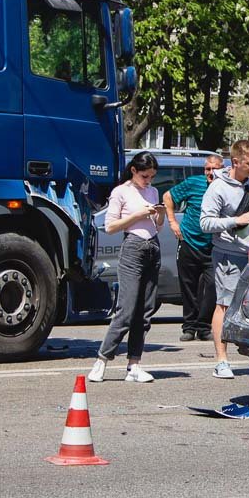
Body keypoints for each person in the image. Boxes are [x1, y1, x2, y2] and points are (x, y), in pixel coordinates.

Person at [87, 152, 164, 384]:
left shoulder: (152, 191)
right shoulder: (121, 191)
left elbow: (158, 228)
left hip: (153, 246)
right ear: (133, 170)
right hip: (132, 247)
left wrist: (159, 215)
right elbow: (110, 226)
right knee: (127, 309)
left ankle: (134, 364)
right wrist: (138, 215)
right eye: (144, 176)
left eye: (151, 176)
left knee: (145, 310)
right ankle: (102, 360)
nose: (148, 181)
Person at [200, 140, 249, 379]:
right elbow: (205, 223)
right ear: (235, 162)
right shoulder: (218, 188)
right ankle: (221, 361)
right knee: (224, 304)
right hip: (227, 253)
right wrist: (235, 221)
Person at [163, 153, 223, 342]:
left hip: (212, 245)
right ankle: (189, 327)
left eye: (215, 169)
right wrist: (172, 222)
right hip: (189, 240)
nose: (211, 173)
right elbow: (168, 196)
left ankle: (203, 326)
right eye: (208, 169)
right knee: (188, 285)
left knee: (212, 285)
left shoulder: (225, 187)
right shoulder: (194, 183)